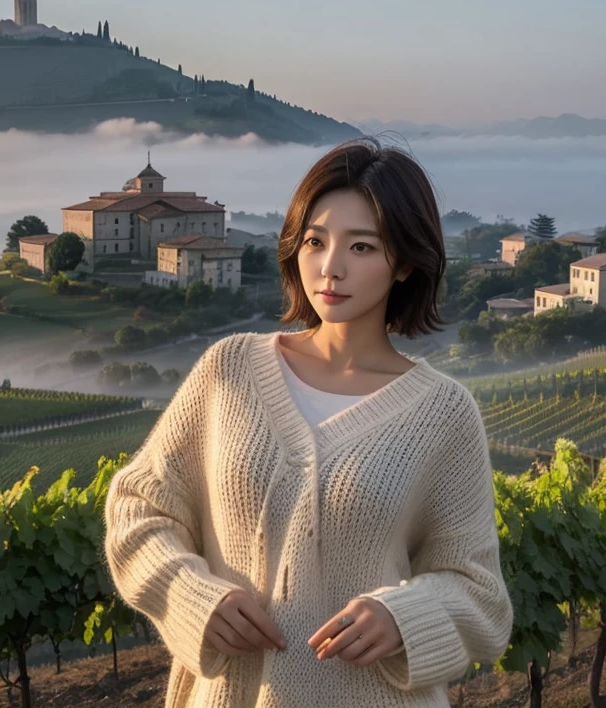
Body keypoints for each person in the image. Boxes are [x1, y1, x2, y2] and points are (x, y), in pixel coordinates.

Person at [103, 137, 513, 707]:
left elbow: (482, 596)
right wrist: (193, 595)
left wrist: (405, 617)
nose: (331, 268)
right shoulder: (230, 370)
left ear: (405, 264)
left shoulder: (443, 414)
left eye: (363, 247)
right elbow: (139, 510)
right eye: (315, 242)